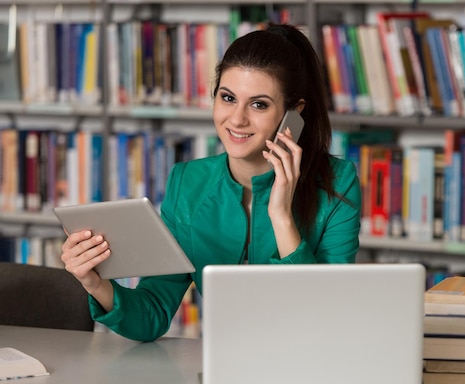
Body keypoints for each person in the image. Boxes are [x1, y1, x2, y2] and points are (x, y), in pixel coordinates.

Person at [60, 23, 362, 342]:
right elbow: (152, 315)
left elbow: (325, 319)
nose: (236, 119)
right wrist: (95, 283)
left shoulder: (338, 184)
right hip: (222, 363)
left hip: (308, 364)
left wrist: (282, 217)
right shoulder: (187, 182)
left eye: (259, 104)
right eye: (228, 97)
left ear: (293, 114)